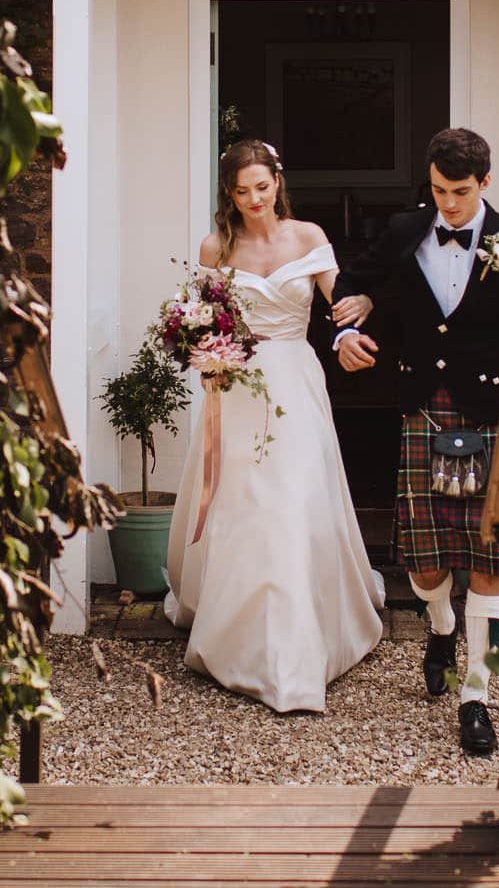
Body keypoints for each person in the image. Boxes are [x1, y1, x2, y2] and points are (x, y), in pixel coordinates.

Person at [333, 127, 499, 757]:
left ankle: (476, 694)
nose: (449, 205)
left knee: (491, 559)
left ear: (484, 183)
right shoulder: (406, 230)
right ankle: (440, 625)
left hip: (497, 415)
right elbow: (350, 282)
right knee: (424, 559)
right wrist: (343, 335)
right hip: (422, 411)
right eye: (438, 191)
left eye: (460, 192)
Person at [162, 140, 385, 713]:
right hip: (233, 385)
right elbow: (201, 313)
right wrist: (202, 346)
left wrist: (348, 331)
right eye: (242, 191)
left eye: (262, 187)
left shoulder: (307, 237)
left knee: (292, 497)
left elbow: (338, 304)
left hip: (293, 379)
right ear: (229, 196)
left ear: (277, 183)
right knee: (244, 503)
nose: (254, 200)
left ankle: (298, 645)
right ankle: (238, 634)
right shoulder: (217, 245)